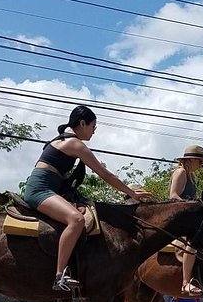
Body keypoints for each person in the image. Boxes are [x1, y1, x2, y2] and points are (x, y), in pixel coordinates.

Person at [23, 105, 152, 291]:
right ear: (82, 123)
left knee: (84, 210)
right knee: (76, 219)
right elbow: (105, 174)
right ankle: (60, 276)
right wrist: (131, 193)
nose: (94, 132)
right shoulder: (75, 144)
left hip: (52, 188)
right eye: (93, 127)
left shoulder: (63, 139)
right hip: (40, 190)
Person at [170, 145, 203, 297]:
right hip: (180, 217)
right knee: (192, 243)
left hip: (189, 218)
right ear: (192, 160)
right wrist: (191, 206)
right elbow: (173, 196)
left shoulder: (191, 176)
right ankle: (186, 282)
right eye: (200, 162)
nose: (201, 165)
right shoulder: (180, 172)